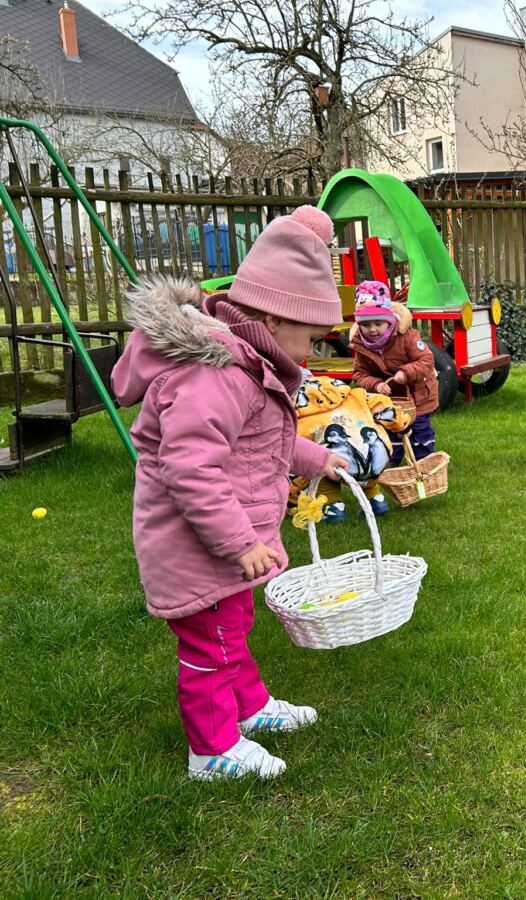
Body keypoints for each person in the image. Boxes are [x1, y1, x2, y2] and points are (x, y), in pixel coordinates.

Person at [112, 206, 347, 781]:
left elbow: (261, 443)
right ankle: (212, 750)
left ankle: (250, 707)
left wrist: (317, 459)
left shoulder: (247, 367)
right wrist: (241, 542)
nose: (311, 354)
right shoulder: (217, 375)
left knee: (230, 630)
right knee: (210, 646)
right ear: (274, 317)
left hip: (220, 543)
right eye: (311, 339)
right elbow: (190, 468)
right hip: (198, 544)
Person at [290, 368, 411, 524]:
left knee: (320, 462)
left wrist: (292, 500)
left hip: (340, 464)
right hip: (379, 456)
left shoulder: (302, 418)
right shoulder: (356, 395)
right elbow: (382, 404)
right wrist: (402, 425)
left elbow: (295, 454)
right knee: (365, 464)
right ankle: (376, 501)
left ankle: (334, 507)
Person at [349, 281, 440, 462]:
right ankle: (391, 463)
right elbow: (359, 374)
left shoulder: (407, 336)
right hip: (388, 400)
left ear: (389, 320)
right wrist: (376, 384)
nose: (372, 329)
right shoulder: (360, 344)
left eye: (378, 323)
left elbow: (426, 360)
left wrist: (406, 372)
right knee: (389, 433)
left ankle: (424, 463)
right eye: (366, 325)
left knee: (420, 432)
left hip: (418, 397)